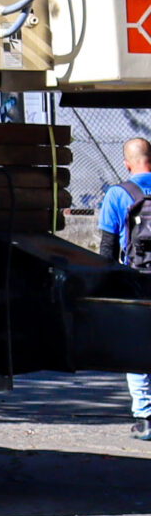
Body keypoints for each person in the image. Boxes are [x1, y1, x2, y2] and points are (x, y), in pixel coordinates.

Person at [99, 136, 151, 439]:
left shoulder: (117, 194)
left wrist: (104, 285)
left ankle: (144, 417)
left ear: (127, 163)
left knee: (138, 346)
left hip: (136, 278)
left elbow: (106, 249)